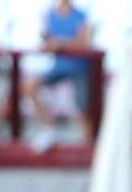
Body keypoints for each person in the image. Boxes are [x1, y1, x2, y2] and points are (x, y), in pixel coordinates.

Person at [23, 0, 93, 147]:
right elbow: (47, 41)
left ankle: (88, 143)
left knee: (83, 107)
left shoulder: (81, 15)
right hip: (58, 67)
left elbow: (83, 42)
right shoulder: (50, 15)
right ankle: (49, 126)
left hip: (79, 68)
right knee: (29, 87)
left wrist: (60, 44)